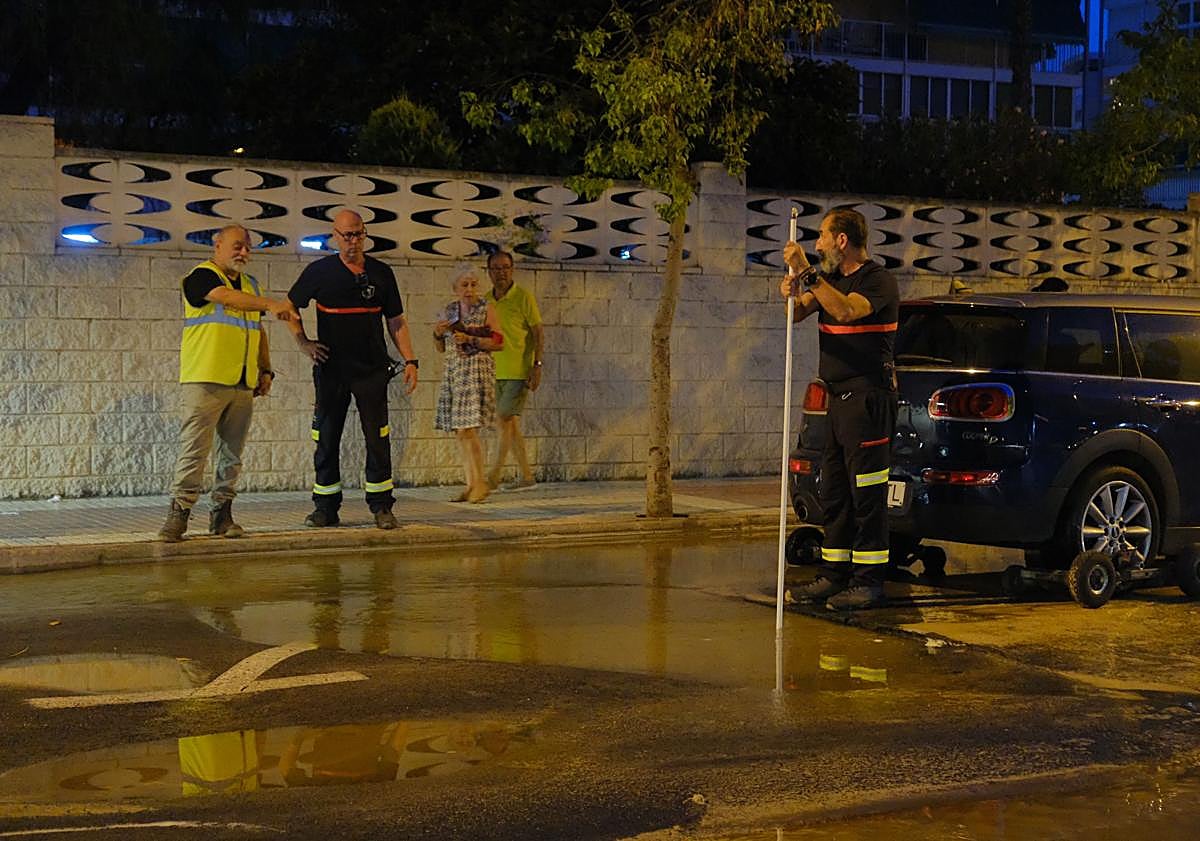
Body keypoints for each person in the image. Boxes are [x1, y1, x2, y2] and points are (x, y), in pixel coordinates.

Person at [779, 208, 899, 610]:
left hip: (867, 400)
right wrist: (791, 290)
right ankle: (833, 576)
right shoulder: (829, 279)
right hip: (834, 400)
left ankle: (868, 582)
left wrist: (808, 272)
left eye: (823, 236)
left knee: (866, 493)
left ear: (842, 240)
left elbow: (846, 310)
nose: (817, 244)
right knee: (834, 492)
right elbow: (798, 314)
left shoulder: (877, 281)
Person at [159, 224, 296, 542]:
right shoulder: (201, 277)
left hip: (241, 381)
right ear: (217, 244)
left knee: (231, 455)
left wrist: (266, 370)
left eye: (248, 247)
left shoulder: (250, 284)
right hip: (205, 378)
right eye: (237, 246)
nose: (244, 252)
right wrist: (270, 304)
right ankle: (178, 515)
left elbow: (257, 330)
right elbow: (225, 298)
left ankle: (222, 515)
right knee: (195, 451)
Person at [286, 209, 418, 530]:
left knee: (378, 438)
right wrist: (303, 342)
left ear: (365, 234)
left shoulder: (382, 273)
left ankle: (381, 506)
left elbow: (395, 321)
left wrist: (411, 360)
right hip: (332, 370)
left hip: (371, 370)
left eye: (358, 234)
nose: (353, 241)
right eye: (346, 235)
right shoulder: (320, 273)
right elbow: (290, 306)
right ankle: (325, 507)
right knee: (327, 437)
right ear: (334, 236)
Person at [435, 266, 504, 502]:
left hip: (476, 370)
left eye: (473, 284)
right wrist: (437, 334)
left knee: (469, 429)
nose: (469, 289)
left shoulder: (486, 309)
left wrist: (472, 339)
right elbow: (442, 346)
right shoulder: (450, 311)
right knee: (460, 431)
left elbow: (498, 342)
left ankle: (480, 483)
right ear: (455, 289)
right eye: (464, 285)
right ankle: (470, 482)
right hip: (455, 370)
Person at [484, 250, 544, 491]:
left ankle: (494, 475)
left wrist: (536, 366)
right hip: (494, 371)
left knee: (503, 419)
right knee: (511, 425)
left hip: (519, 371)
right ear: (489, 272)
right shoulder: (486, 300)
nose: (501, 272)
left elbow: (539, 333)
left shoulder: (523, 297)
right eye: (496, 268)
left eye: (506, 267)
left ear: (512, 269)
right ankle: (527, 476)